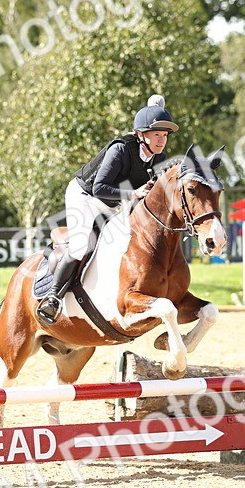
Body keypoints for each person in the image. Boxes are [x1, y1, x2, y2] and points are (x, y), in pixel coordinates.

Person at [35, 94, 179, 325]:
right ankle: (53, 297)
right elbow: (100, 187)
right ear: (141, 135)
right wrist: (133, 193)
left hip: (115, 201)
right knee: (82, 245)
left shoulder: (157, 156)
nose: (162, 140)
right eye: (156, 135)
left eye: (164, 135)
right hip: (86, 195)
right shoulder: (120, 150)